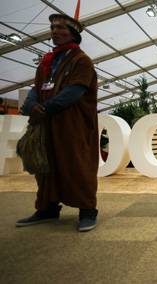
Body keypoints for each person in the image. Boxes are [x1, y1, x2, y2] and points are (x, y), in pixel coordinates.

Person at [16, 11, 100, 231]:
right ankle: (47, 209)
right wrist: (32, 107)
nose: (54, 31)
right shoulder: (47, 61)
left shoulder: (82, 60)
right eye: (53, 27)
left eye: (60, 27)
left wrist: (42, 109)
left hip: (73, 126)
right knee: (46, 166)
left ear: (73, 34)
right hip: (46, 123)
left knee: (77, 165)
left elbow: (74, 91)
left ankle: (88, 211)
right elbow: (36, 88)